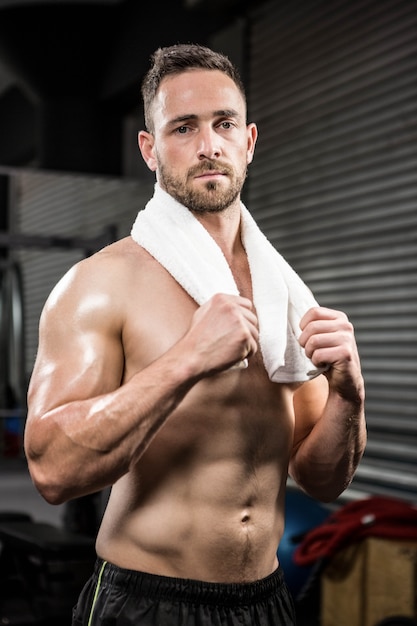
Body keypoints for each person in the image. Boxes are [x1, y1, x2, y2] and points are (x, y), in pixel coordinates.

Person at [24, 43, 366, 626]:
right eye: (183, 127)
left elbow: (320, 477)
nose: (208, 146)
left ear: (249, 141)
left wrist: (349, 395)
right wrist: (186, 360)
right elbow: (52, 471)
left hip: (265, 602)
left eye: (224, 124)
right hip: (144, 600)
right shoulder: (101, 284)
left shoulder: (284, 293)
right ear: (150, 149)